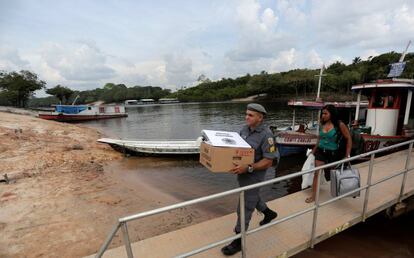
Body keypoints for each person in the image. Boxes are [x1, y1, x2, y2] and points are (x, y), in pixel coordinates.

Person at [221, 103, 279, 256]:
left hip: (254, 174)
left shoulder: (267, 136)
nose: (246, 117)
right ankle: (269, 213)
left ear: (260, 118)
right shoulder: (244, 130)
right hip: (243, 172)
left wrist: (248, 168)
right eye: (246, 114)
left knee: (245, 205)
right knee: (252, 196)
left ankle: (238, 241)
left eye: (250, 115)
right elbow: (237, 149)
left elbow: (269, 161)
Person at [305, 104, 352, 203]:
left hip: (334, 153)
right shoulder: (322, 124)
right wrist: (313, 151)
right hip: (321, 151)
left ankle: (337, 192)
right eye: (322, 113)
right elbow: (319, 139)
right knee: (317, 174)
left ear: (332, 114)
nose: (323, 115)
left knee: (334, 174)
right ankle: (313, 196)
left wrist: (347, 155)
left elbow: (348, 139)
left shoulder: (340, 125)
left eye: (325, 113)